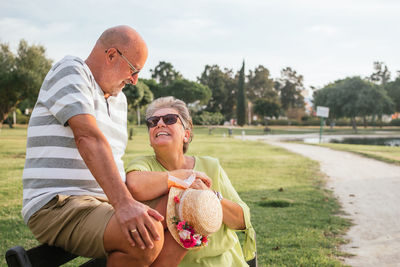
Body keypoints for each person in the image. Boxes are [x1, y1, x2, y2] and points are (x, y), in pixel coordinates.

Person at [22, 25, 166, 266]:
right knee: (145, 238)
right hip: (58, 203)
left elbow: (114, 161)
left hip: (101, 202)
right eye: (133, 70)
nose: (134, 80)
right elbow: (87, 137)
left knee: (176, 214)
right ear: (111, 55)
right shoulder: (71, 70)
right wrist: (124, 204)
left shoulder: (120, 101)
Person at [126, 96, 256, 266]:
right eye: (153, 121)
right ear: (150, 137)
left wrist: (210, 197)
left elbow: (241, 220)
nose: (159, 124)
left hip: (225, 261)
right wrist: (186, 177)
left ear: (186, 135)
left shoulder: (211, 166)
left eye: (169, 119)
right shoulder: (143, 164)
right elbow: (135, 184)